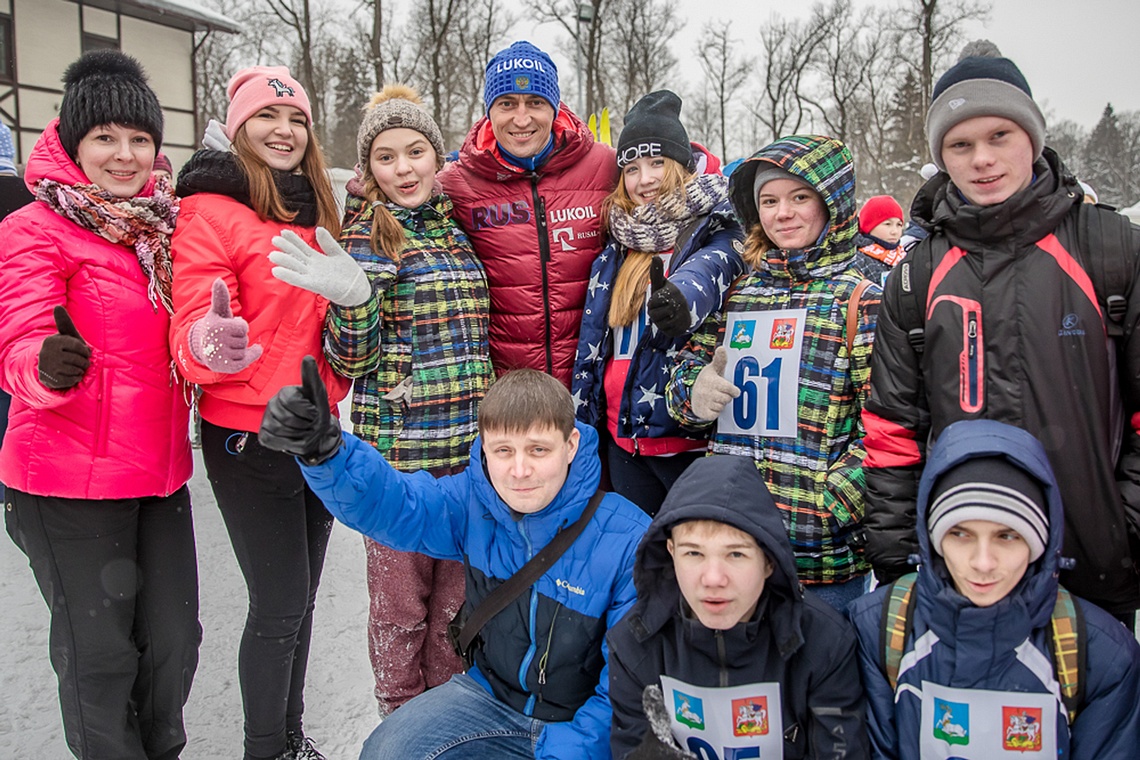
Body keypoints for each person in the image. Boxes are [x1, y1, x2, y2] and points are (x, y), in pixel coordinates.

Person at [861, 40, 1140, 623]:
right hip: (962, 566)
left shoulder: (1111, 248)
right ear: (941, 157)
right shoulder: (914, 274)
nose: (981, 159)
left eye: (999, 137)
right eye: (960, 145)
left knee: (1096, 714)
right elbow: (893, 429)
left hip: (1094, 568)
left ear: (1033, 139)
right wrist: (901, 560)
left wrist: (1123, 527)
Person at [258, 365, 651, 760]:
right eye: (503, 450)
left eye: (538, 449)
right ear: (484, 448)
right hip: (490, 698)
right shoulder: (472, 503)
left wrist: (568, 752)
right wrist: (328, 456)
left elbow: (628, 685)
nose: (519, 470)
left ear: (570, 445)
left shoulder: (628, 538)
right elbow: (396, 505)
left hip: (578, 724)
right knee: (386, 751)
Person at [0, 50, 199, 759]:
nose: (126, 155)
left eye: (140, 139)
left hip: (158, 472)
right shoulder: (33, 229)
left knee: (174, 645)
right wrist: (45, 369)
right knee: (101, 658)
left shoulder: (159, 227)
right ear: (74, 142)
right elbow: (19, 339)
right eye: (106, 138)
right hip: (66, 478)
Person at [269, 83, 492, 714]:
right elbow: (350, 360)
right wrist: (357, 300)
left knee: (457, 609)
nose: (404, 169)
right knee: (400, 611)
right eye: (386, 157)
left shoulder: (455, 231)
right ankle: (399, 723)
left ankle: (447, 722)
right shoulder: (365, 237)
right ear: (369, 168)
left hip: (467, 455)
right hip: (398, 456)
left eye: (415, 151)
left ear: (435, 155)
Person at [168, 65, 349, 760]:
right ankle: (264, 749)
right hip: (248, 434)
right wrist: (211, 344)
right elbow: (195, 323)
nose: (285, 130)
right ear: (239, 127)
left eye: (297, 119)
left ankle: (290, 739)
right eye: (268, 117)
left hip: (317, 429)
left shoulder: (314, 208)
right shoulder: (210, 208)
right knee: (278, 606)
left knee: (300, 607)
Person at [666, 135, 880, 611]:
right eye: (769, 201)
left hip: (821, 562)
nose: (783, 213)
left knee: (822, 683)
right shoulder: (737, 293)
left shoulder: (861, 301)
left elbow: (886, 430)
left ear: (832, 203)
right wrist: (693, 395)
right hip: (734, 546)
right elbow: (682, 380)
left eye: (799, 197)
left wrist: (828, 508)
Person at [848, 419, 1140, 759]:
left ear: (1040, 543)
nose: (983, 563)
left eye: (1007, 536)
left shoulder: (1102, 656)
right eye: (960, 534)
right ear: (933, 539)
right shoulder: (877, 629)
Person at [608, 455, 869, 759]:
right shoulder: (636, 643)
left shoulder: (824, 643)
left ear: (769, 560)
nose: (714, 578)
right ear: (671, 554)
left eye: (736, 555)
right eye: (694, 553)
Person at [572, 90, 745, 516]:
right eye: (631, 168)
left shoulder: (712, 227)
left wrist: (680, 299)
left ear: (681, 165)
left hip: (683, 435)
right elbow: (596, 337)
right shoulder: (618, 243)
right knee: (636, 562)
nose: (644, 179)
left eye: (656, 163)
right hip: (621, 435)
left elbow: (710, 268)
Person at [439, 40, 617, 387]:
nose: (522, 119)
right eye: (507, 104)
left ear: (554, 106)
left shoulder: (605, 166)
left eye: (535, 102)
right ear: (489, 111)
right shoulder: (456, 183)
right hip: (507, 394)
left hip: (591, 387)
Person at [853, 194, 906, 286]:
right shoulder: (857, 260)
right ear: (869, 227)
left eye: (899, 225)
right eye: (887, 224)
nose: (895, 231)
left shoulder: (904, 256)